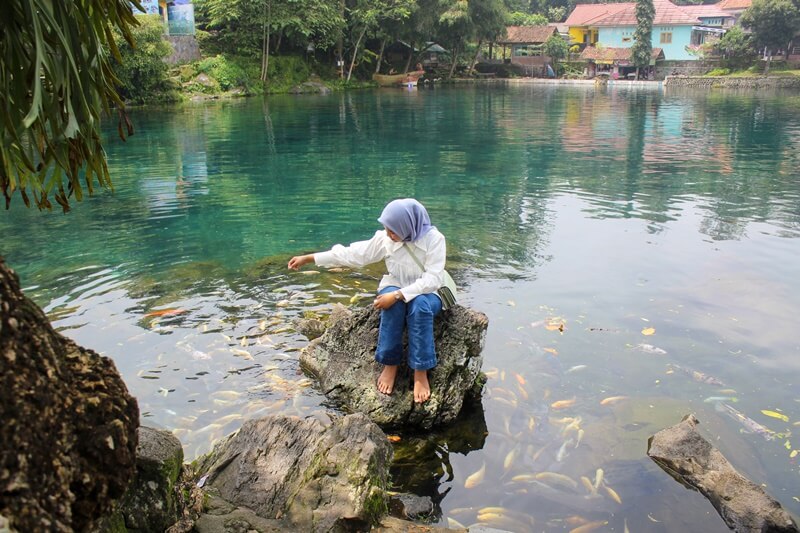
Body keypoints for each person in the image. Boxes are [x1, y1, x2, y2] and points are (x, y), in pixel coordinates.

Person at [288, 199, 446, 403]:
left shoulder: (434, 240)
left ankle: (420, 371)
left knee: (420, 308)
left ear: (408, 226)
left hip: (428, 292)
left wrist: (398, 295)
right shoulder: (386, 239)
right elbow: (354, 255)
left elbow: (433, 279)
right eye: (387, 228)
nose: (389, 234)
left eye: (394, 230)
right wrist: (310, 258)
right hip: (395, 283)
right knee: (390, 305)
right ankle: (390, 364)